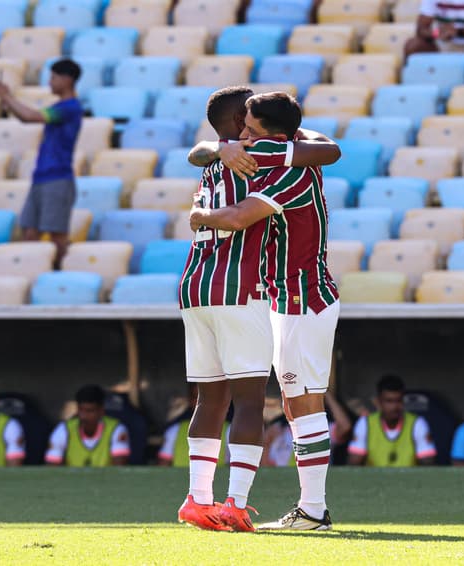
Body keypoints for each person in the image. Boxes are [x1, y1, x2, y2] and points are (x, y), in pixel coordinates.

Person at [178, 87, 340, 533]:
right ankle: (307, 508)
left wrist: (200, 216)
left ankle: (313, 510)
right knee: (292, 403)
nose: (243, 135)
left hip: (305, 295)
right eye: (241, 127)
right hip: (278, 294)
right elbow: (203, 150)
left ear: (273, 136)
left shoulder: (287, 166)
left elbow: (235, 217)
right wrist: (220, 147)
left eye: (250, 128)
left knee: (303, 403)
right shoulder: (266, 154)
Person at [0, 59, 83, 267]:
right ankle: (33, 271)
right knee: (30, 232)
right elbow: (26, 117)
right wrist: (6, 100)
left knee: (57, 236)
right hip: (41, 176)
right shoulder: (60, 107)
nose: (49, 82)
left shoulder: (70, 108)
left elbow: (31, 117)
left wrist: (8, 96)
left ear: (67, 79)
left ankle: (61, 275)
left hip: (58, 177)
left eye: (53, 77)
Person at [347, 376, 437, 467]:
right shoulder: (365, 424)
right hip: (374, 480)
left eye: (398, 400)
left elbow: (428, 466)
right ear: (379, 401)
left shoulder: (417, 424)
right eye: (389, 401)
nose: (394, 407)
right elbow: (353, 465)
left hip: (409, 480)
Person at [46, 385, 130, 467]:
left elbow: (119, 470)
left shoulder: (116, 429)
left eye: (89, 411)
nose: (83, 416)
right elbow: (52, 469)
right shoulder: (64, 430)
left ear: (101, 411)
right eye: (81, 410)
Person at [263, 391, 353, 468]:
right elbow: (264, 460)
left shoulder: (323, 429)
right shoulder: (278, 429)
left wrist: (326, 394)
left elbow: (345, 426)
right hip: (282, 480)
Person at [404, 0, 464, 70]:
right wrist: (438, 33)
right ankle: (415, 84)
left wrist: (459, 32)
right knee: (413, 45)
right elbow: (421, 30)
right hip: (442, 42)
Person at [158, 384, 228, 467]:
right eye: (196, 397)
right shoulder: (174, 430)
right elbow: (163, 466)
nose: (201, 402)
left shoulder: (229, 431)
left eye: (207, 397)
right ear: (190, 401)